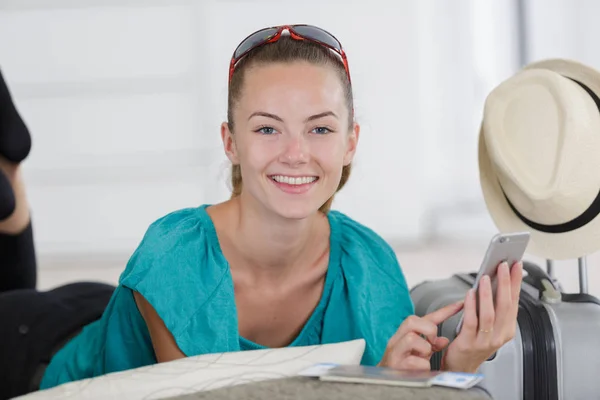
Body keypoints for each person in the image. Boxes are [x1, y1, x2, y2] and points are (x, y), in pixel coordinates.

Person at [0, 24, 523, 399]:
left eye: (319, 128)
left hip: (101, 308)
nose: (296, 153)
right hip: (34, 347)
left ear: (350, 142)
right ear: (230, 142)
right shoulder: (175, 254)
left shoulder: (368, 263)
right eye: (268, 128)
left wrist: (454, 364)